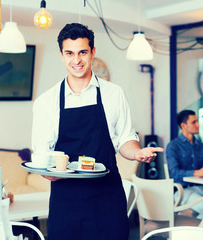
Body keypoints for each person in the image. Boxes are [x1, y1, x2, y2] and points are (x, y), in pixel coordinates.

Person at [31, 23, 163, 240]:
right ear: (61, 55)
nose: (77, 60)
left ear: (93, 51)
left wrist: (137, 153)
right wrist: (49, 172)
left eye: (83, 52)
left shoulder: (114, 94)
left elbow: (125, 139)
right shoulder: (47, 102)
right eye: (70, 53)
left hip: (107, 198)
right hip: (67, 201)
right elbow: (43, 154)